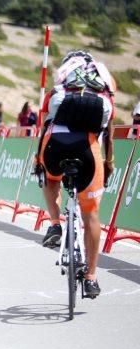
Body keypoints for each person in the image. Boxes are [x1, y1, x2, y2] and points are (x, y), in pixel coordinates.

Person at [37, 50, 116, 299]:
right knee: (91, 214)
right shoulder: (103, 89)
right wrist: (109, 161)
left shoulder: (58, 89)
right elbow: (109, 133)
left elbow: (44, 126)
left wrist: (38, 160)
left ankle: (55, 224)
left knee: (50, 179)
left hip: (55, 143)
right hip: (88, 149)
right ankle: (91, 276)